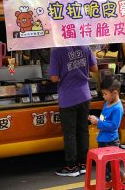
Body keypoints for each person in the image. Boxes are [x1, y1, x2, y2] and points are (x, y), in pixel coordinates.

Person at [49, 46, 98, 177]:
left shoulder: (57, 52)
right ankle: (83, 164)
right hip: (84, 95)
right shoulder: (85, 48)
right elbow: (95, 69)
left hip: (68, 97)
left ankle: (71, 167)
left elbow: (54, 78)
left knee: (70, 133)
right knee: (83, 130)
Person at [89, 76, 124, 184]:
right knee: (106, 166)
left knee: (110, 166)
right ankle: (114, 180)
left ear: (114, 93)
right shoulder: (107, 104)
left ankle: (119, 179)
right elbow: (104, 120)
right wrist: (96, 120)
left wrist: (98, 122)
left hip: (111, 141)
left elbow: (114, 126)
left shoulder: (117, 108)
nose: (103, 97)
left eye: (105, 94)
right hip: (103, 139)